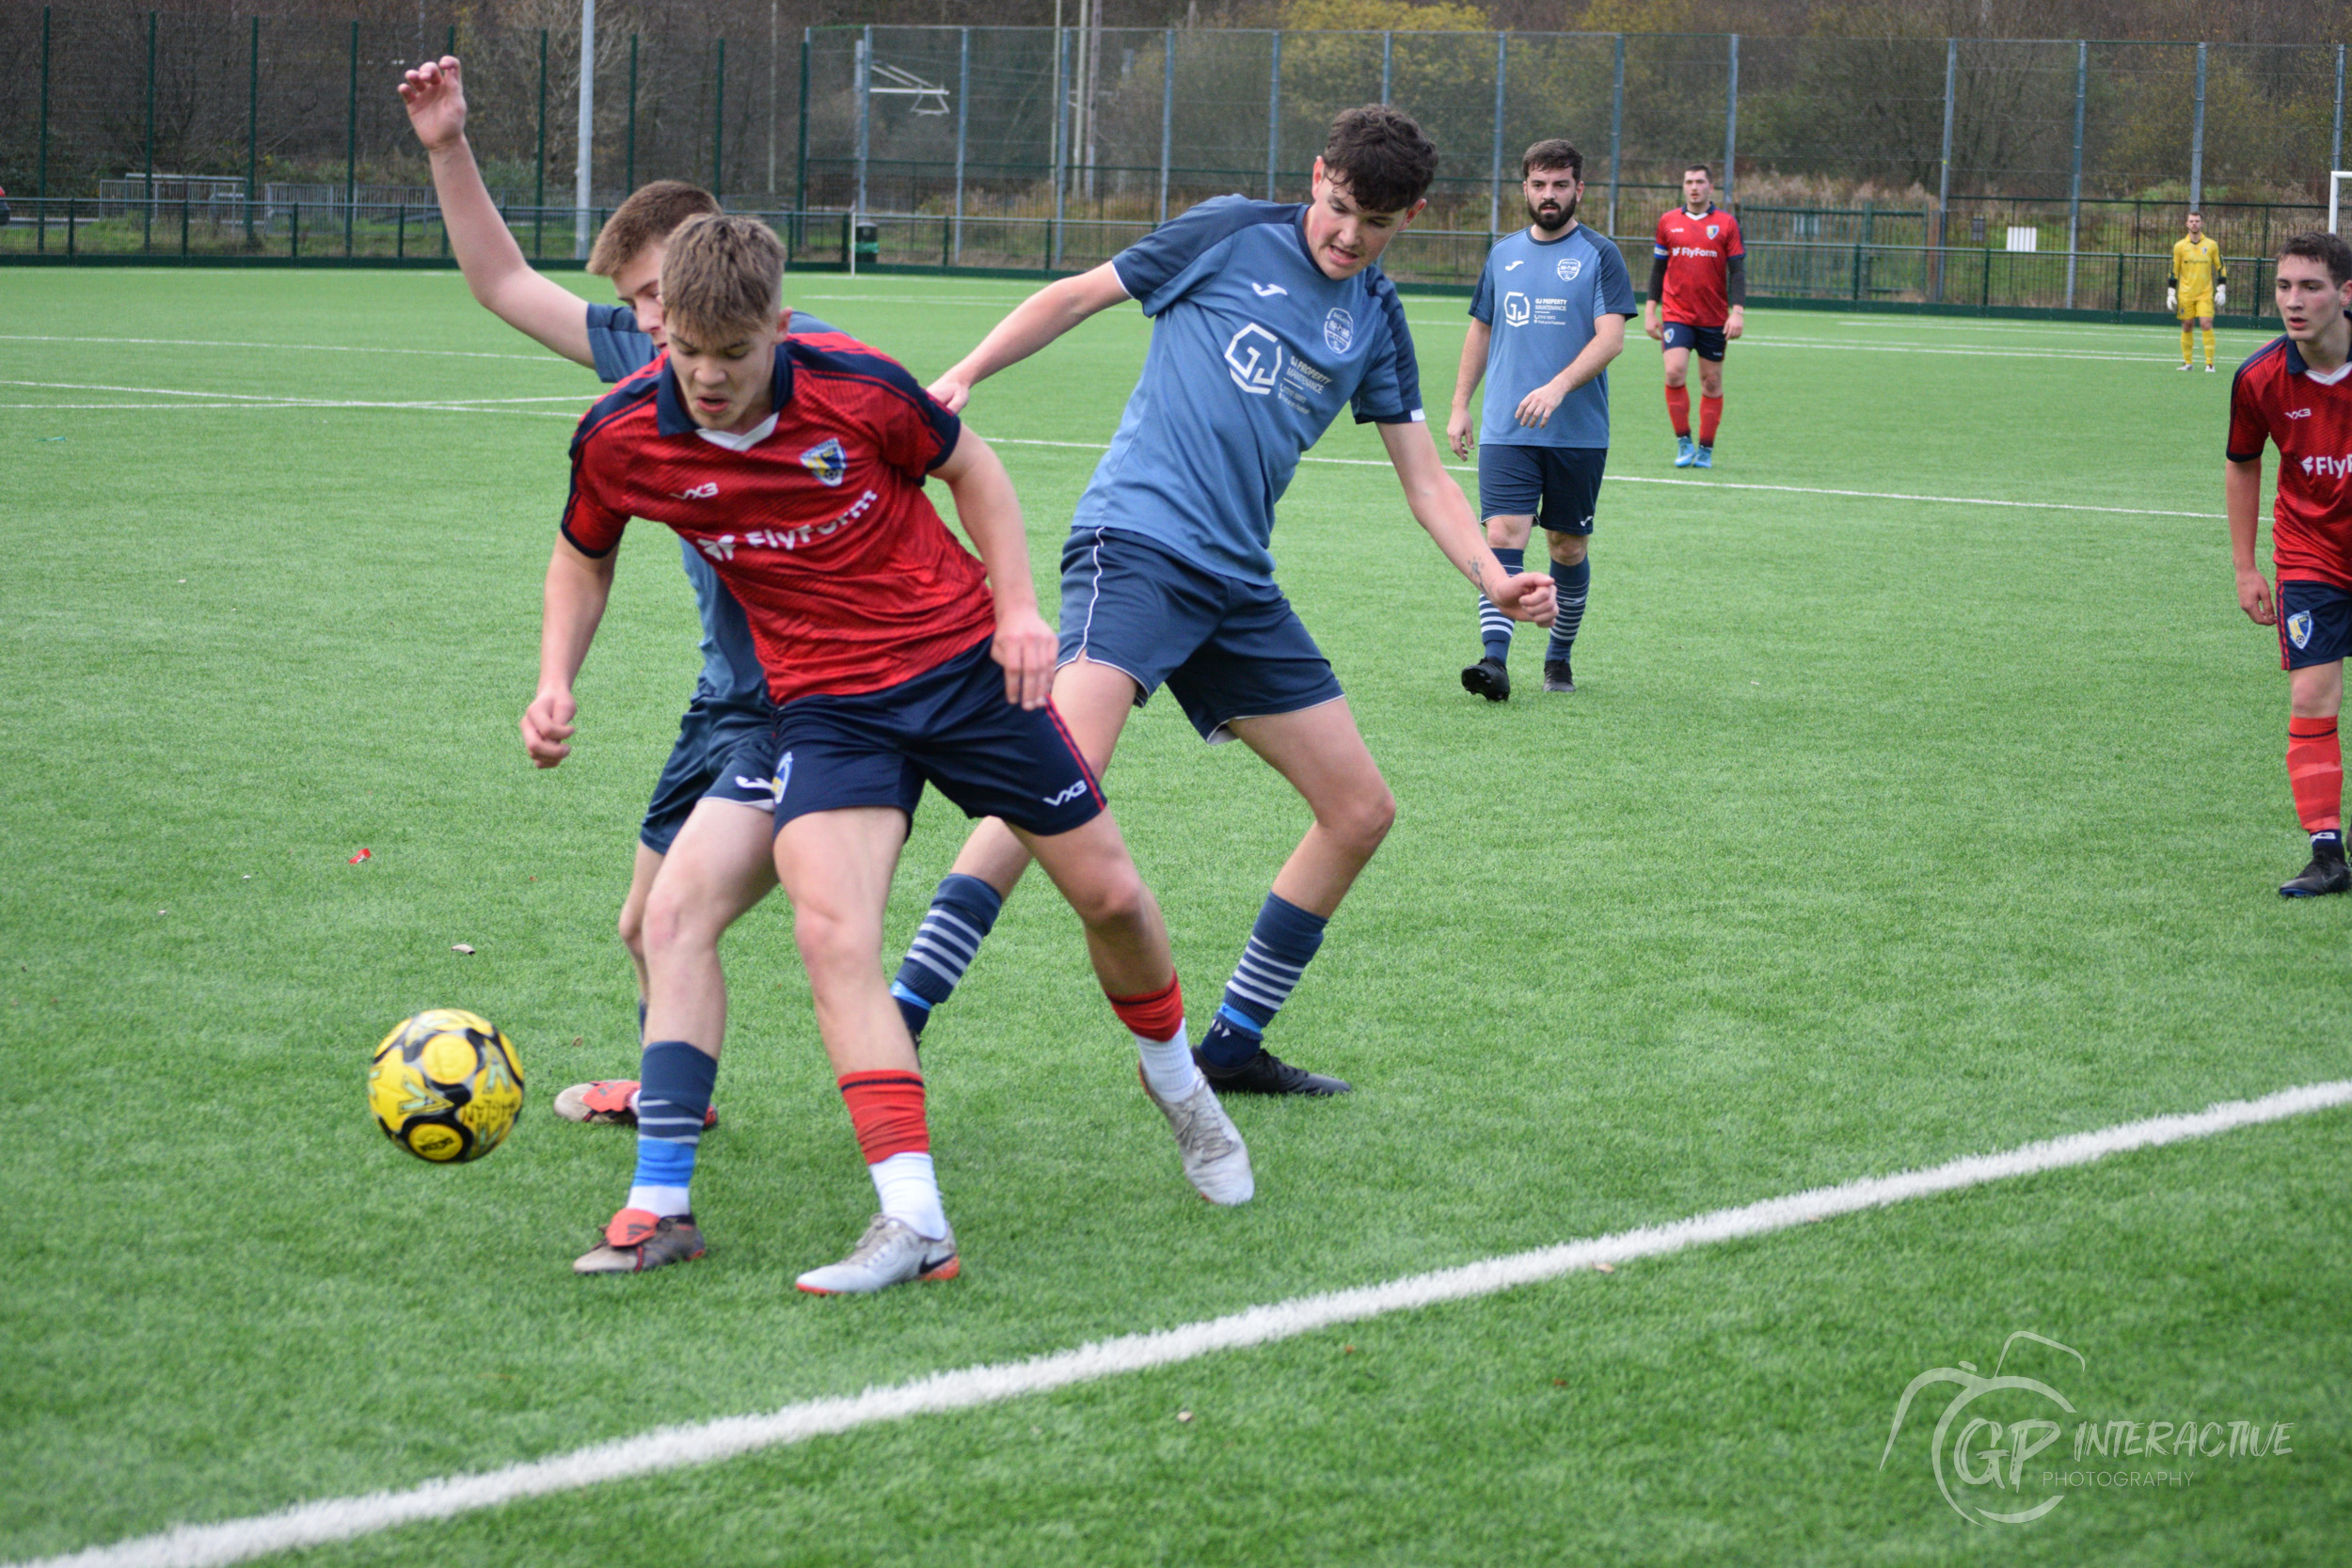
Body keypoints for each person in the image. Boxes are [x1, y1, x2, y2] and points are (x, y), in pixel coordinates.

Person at [542, 215, 1250, 1290]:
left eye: (732, 355)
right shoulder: (622, 433)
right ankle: (910, 1218)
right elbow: (581, 553)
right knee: (833, 934)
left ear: (776, 328)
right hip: (825, 705)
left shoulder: (856, 385)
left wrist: (1018, 609)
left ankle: (1176, 1081)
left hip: (966, 672)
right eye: (685, 352)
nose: (707, 376)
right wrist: (557, 679)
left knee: (1109, 898)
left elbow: (978, 471)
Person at [881, 106, 1556, 1099]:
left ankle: (1231, 1045)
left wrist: (1491, 577)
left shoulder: (1376, 316)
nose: (1347, 236)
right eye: (1336, 210)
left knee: (1359, 810)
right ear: (1316, 176)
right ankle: (899, 1016)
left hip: (1236, 583)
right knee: (1056, 776)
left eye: (1374, 223)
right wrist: (963, 374)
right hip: (1138, 546)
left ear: (1407, 217)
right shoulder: (1228, 230)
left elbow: (1424, 479)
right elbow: (1076, 297)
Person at [400, 56, 834, 1128]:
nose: (645, 322)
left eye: (654, 296)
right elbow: (506, 287)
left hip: (811, 696)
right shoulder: (659, 363)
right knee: (643, 924)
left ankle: (690, 1145)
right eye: (638, 303)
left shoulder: (795, 364)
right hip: (724, 697)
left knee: (705, 918)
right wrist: (449, 146)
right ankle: (666, 1096)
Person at [1450, 138, 1635, 702]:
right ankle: (1494, 662)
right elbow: (1480, 330)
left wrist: (1557, 386)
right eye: (1538, 185)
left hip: (1577, 433)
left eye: (1560, 185)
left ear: (1579, 189)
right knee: (1503, 533)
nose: (1548, 195)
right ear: (1524, 188)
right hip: (1508, 427)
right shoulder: (1502, 254)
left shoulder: (1601, 254)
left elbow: (1612, 338)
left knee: (1566, 546)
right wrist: (1461, 404)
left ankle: (1558, 660)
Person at [2226, 230, 2352, 897]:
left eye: (2310, 287)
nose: (2293, 302)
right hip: (2311, 552)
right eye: (2283, 286)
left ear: (2346, 293)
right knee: (2311, 693)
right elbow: (2243, 463)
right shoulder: (2260, 377)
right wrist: (2247, 567)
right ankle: (2326, 853)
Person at [1644, 164, 1745, 468]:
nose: (1694, 187)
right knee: (1674, 372)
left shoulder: (1726, 224)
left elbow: (1738, 272)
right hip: (1677, 313)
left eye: (1700, 182)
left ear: (1710, 187)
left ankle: (1706, 448)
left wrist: (1736, 312)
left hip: (1714, 317)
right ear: (1683, 186)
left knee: (1711, 382)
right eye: (1689, 182)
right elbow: (1658, 269)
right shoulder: (1668, 222)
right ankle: (1683, 442)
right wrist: (1650, 310)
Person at [2172, 211, 2227, 372]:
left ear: (2202, 224)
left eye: (2197, 221)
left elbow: (2221, 266)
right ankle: (2187, 363)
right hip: (2185, 294)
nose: (2194, 223)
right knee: (2187, 325)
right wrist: (2170, 291)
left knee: (2206, 324)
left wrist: (2221, 288)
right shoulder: (2180, 246)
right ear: (2186, 224)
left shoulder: (2211, 245)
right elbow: (2174, 270)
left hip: (2205, 293)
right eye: (2191, 221)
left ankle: (2209, 363)